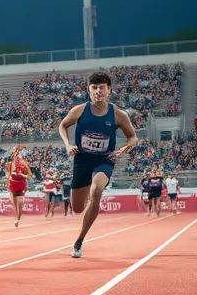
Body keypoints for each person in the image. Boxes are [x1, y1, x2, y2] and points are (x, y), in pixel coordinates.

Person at [57, 71, 138, 258]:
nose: (98, 91)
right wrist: (68, 144)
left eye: (102, 87)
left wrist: (123, 149)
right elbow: (63, 125)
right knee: (77, 208)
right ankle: (89, 203)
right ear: (89, 90)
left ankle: (79, 242)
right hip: (82, 160)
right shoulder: (79, 110)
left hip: (104, 160)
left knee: (96, 189)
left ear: (109, 90)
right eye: (94, 88)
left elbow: (132, 137)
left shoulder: (118, 115)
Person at [5, 147, 31, 227]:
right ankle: (17, 217)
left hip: (21, 185)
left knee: (20, 203)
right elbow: (8, 175)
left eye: (18, 155)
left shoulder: (24, 164)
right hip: (13, 185)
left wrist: (21, 175)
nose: (16, 156)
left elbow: (28, 176)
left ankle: (18, 219)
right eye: (15, 155)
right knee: (15, 204)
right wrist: (9, 179)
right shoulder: (8, 164)